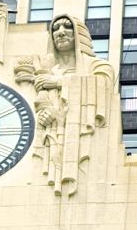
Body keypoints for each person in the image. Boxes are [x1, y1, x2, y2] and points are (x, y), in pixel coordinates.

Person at [14, 14, 113, 196]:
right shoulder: (48, 70)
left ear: (78, 34)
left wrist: (60, 82)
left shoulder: (95, 66)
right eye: (55, 29)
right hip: (51, 134)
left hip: (79, 138)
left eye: (67, 27)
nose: (60, 33)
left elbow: (104, 83)